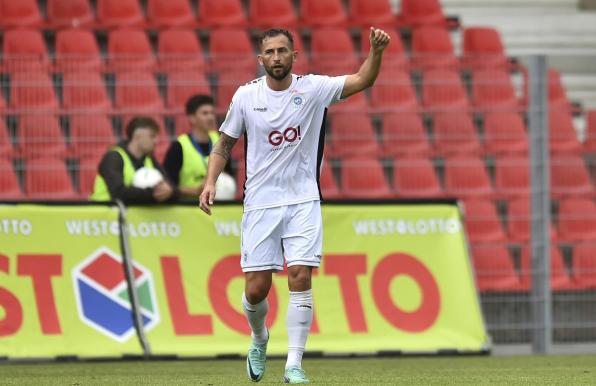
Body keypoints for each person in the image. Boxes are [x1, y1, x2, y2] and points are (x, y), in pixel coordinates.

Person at [199, 27, 390, 384]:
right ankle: (259, 338)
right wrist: (210, 181)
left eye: (282, 51)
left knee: (300, 276)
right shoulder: (245, 97)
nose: (276, 58)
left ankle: (294, 364)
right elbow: (223, 144)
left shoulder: (314, 89)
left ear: (293, 55)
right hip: (260, 203)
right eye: (269, 52)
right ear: (260, 59)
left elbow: (364, 79)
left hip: (303, 199)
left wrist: (376, 51)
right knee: (256, 289)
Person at [90, 116, 175, 203]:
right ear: (137, 136)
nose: (156, 141)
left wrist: (169, 191)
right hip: (103, 212)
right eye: (152, 136)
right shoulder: (113, 158)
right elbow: (118, 193)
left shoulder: (149, 159)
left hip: (129, 215)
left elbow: (169, 184)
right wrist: (153, 193)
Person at [163, 95, 222, 199]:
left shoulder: (220, 141)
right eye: (205, 113)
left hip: (217, 205)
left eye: (212, 113)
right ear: (192, 118)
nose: (210, 117)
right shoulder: (178, 146)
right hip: (188, 208)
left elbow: (228, 175)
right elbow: (169, 186)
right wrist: (195, 191)